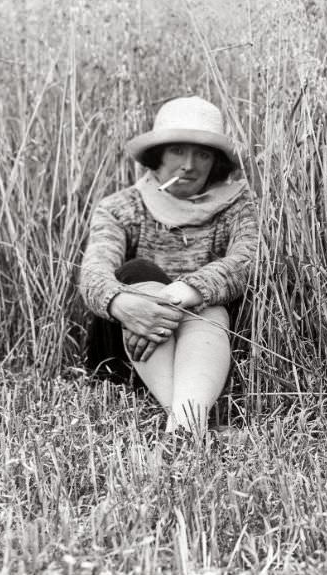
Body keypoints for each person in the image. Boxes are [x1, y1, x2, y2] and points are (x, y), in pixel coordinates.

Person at [79, 96, 258, 435]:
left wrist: (182, 293)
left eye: (202, 154)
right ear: (158, 155)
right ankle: (191, 419)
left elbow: (247, 260)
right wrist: (124, 304)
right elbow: (93, 272)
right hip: (126, 349)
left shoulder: (238, 206)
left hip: (208, 352)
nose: (188, 165)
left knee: (210, 301)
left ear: (215, 162)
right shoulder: (121, 207)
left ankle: (185, 426)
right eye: (177, 151)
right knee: (139, 272)